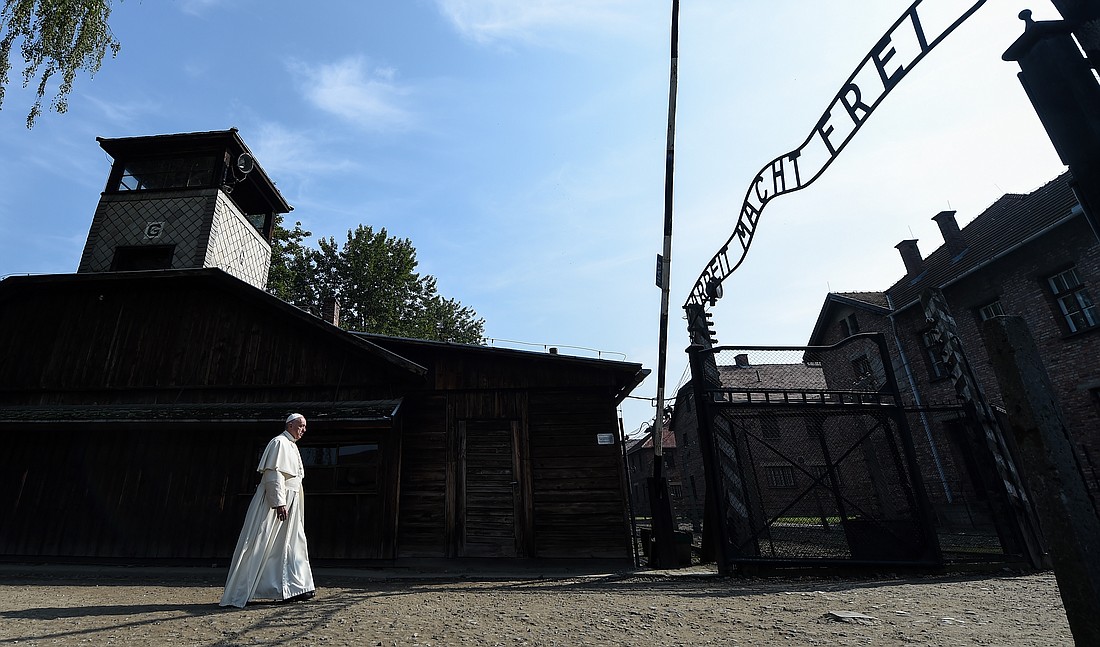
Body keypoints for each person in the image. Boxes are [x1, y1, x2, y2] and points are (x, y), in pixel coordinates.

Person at [219, 413, 316, 607]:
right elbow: (273, 474)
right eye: (300, 426)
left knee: (291, 542)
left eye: (305, 426)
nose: (303, 430)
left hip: (293, 498)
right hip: (278, 500)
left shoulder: (291, 445)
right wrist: (278, 502)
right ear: (289, 425)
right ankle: (243, 590)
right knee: (262, 542)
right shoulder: (279, 443)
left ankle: (296, 587)